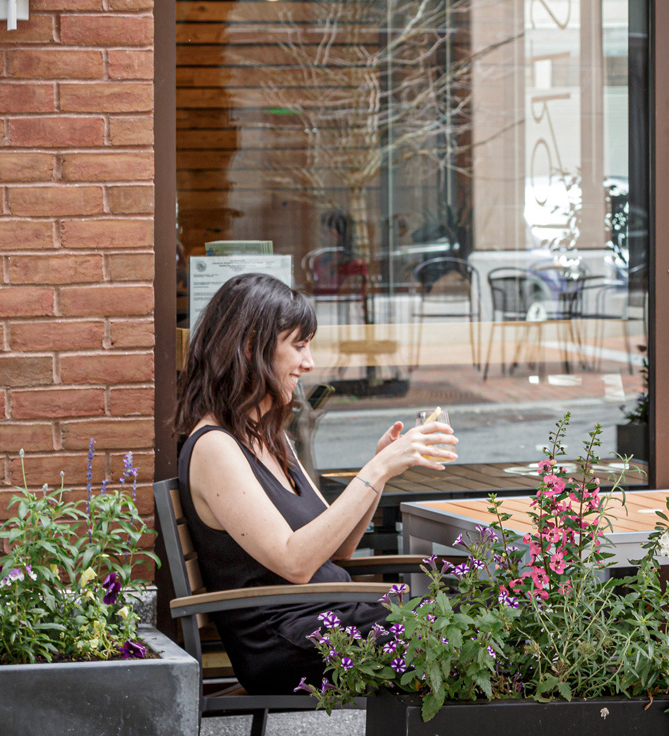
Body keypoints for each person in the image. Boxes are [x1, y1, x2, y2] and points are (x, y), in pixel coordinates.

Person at [173, 272, 457, 694]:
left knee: (469, 626)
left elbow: (336, 549)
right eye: (299, 346)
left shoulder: (270, 436)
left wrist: (379, 469)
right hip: (288, 641)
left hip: (330, 620)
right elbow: (295, 563)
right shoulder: (215, 447)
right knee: (463, 641)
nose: (309, 364)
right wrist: (374, 472)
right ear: (251, 347)